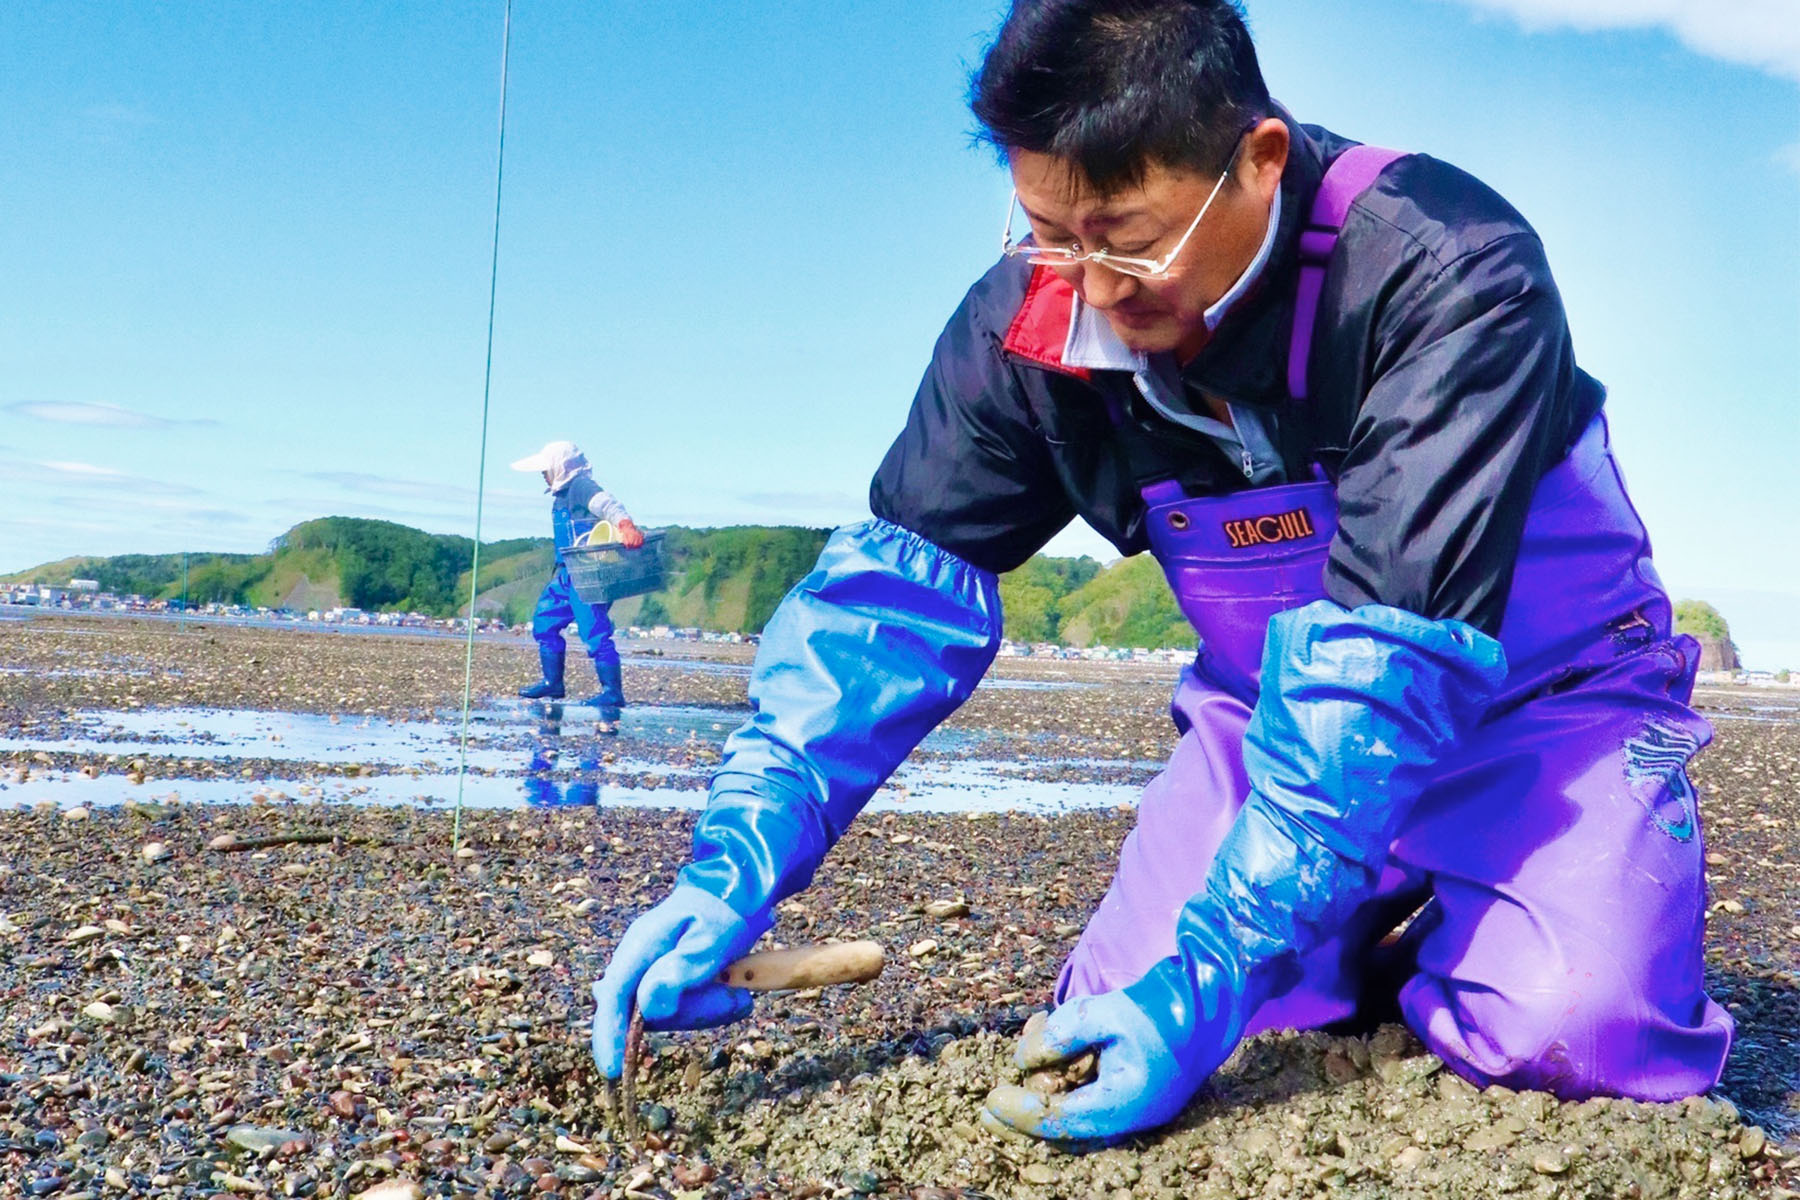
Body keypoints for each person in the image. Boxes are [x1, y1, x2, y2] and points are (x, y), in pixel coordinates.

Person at [590, 0, 1733, 1147]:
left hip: (1540, 713)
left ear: (1259, 158)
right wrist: (737, 857)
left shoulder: (1449, 272)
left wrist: (1215, 966)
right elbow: (889, 606)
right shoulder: (1029, 330)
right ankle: (1381, 925)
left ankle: (1497, 908)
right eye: (1049, 232)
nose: (1090, 287)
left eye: (1127, 236)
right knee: (1113, 1014)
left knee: (1578, 1034)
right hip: (1273, 721)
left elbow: (1386, 667)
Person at [510, 440, 644, 725]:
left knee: (594, 631)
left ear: (562, 467)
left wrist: (625, 525)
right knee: (544, 623)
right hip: (564, 572)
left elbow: (608, 504)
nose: (543, 474)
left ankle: (612, 691)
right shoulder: (559, 496)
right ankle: (552, 683)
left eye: (546, 469)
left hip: (588, 574)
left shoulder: (581, 486)